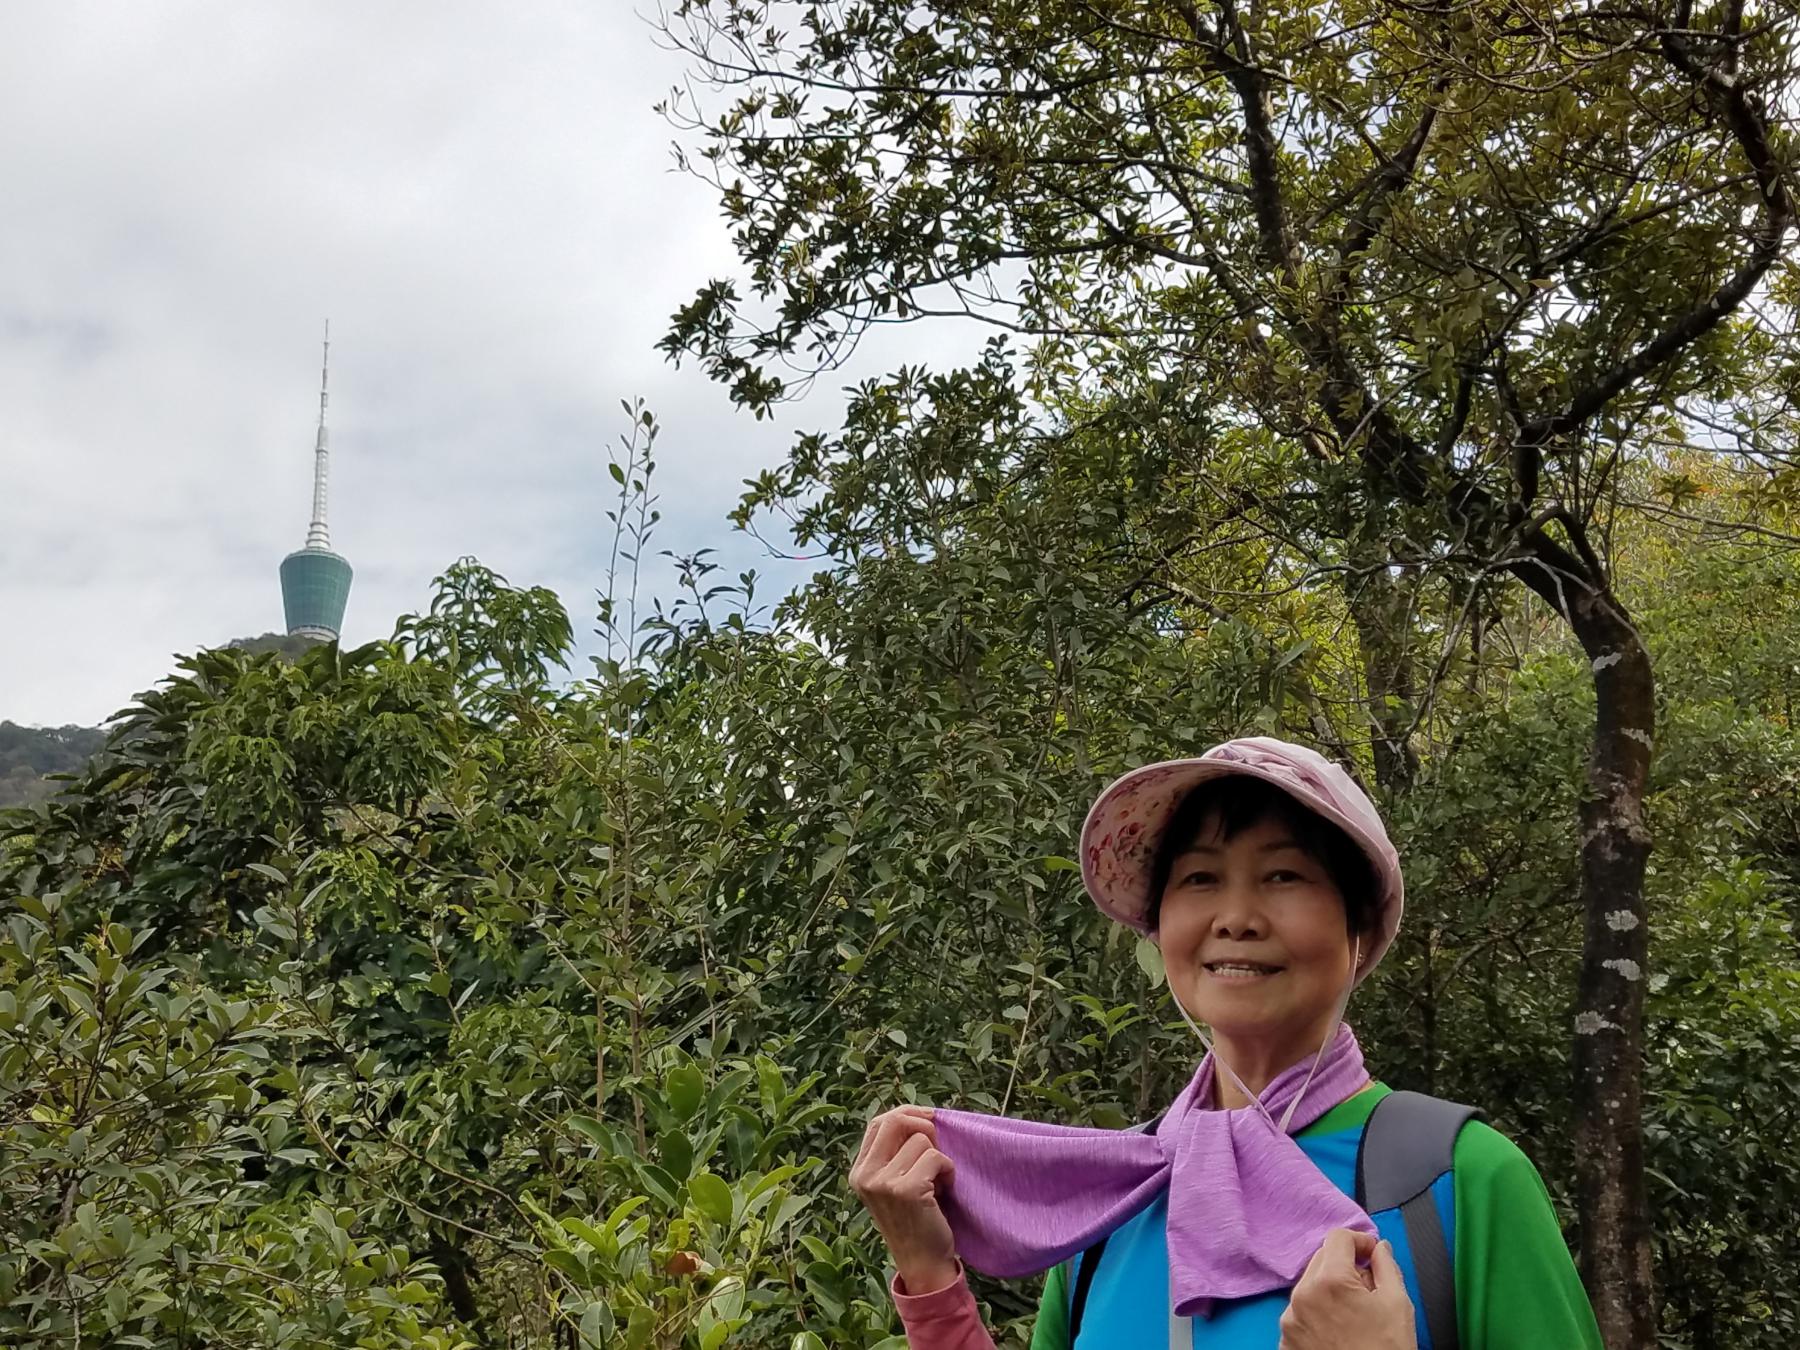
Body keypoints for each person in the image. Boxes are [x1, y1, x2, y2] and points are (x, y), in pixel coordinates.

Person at [851, 737, 1602, 1349]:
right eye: (1200, 879)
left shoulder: (1459, 1180)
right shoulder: (1113, 1204)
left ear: (1361, 929)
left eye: (1284, 875)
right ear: (1160, 929)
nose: (1235, 917)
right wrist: (929, 1275)